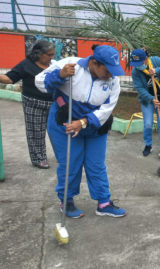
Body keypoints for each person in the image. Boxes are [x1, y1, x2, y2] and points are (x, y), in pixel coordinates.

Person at [35, 45, 126, 218]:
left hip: (94, 127)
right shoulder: (71, 65)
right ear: (94, 63)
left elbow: (107, 108)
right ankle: (66, 201)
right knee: (71, 164)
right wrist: (59, 75)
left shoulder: (113, 80)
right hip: (65, 124)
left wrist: (83, 122)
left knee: (96, 165)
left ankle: (104, 203)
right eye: (107, 70)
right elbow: (39, 82)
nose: (111, 75)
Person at [0, 40, 55, 169]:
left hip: (54, 104)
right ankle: (39, 159)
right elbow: (9, 78)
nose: (52, 57)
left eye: (53, 54)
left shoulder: (54, 65)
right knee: (36, 132)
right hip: (34, 104)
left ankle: (62, 155)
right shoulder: (26, 65)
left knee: (58, 131)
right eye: (49, 54)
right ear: (38, 53)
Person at [130, 49, 160, 159]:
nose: (137, 66)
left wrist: (157, 71)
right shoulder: (135, 71)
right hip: (147, 101)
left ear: (146, 59)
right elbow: (139, 88)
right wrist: (151, 99)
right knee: (148, 124)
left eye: (140, 63)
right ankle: (148, 145)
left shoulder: (157, 61)